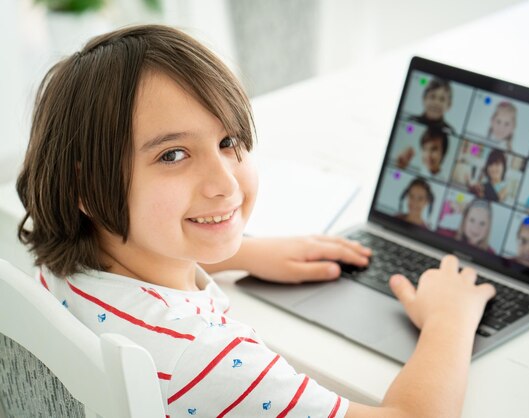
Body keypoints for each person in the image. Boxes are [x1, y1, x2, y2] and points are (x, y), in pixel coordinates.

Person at [16, 25, 495, 418]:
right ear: (85, 188)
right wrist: (448, 322)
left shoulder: (64, 265)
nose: (224, 183)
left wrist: (245, 251)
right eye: (173, 154)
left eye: (228, 142)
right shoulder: (209, 360)